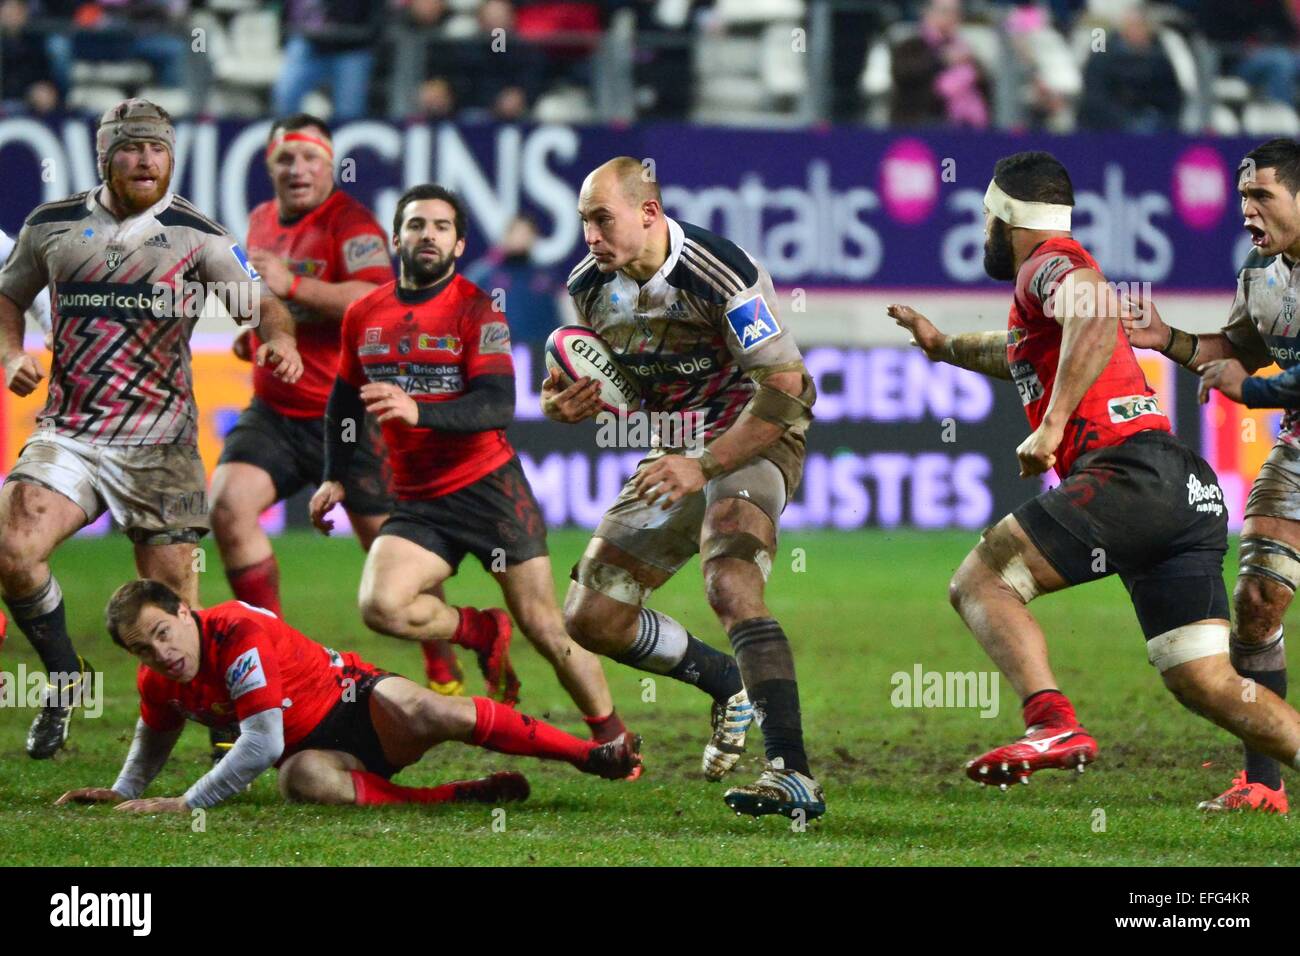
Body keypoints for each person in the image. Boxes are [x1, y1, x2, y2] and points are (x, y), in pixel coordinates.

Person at [890, 149, 1300, 801]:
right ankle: (1271, 780)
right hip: (1183, 491)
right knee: (1205, 681)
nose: (983, 236)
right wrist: (944, 348)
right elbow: (1021, 351)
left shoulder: (1047, 265)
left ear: (1004, 217)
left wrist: (1051, 427)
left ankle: (1050, 722)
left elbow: (1093, 309)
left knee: (983, 579)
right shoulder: (1042, 297)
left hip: (1128, 476)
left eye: (985, 220)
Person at [0, 99, 302, 760]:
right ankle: (62, 675)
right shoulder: (50, 225)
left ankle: (225, 728)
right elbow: (8, 294)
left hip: (162, 446)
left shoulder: (197, 233)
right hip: (71, 431)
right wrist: (11, 353)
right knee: (12, 547)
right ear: (105, 155)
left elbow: (263, 304)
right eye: (132, 148)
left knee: (175, 611)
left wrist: (280, 340)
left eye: (157, 149)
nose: (146, 160)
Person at [544, 157, 823, 819]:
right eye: (583, 220)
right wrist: (565, 406)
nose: (589, 235)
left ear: (648, 212)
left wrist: (705, 464)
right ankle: (726, 682)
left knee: (729, 580)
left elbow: (788, 388)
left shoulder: (721, 271)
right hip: (676, 450)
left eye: (601, 218)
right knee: (591, 617)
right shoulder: (589, 286)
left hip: (755, 435)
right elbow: (590, 386)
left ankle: (792, 774)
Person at [310, 184, 635, 751]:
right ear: (396, 238)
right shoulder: (363, 314)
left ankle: (612, 735)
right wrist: (335, 473)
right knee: (380, 607)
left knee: (544, 625)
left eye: (440, 226)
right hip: (417, 501)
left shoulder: (478, 310)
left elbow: (495, 406)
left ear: (459, 244)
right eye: (416, 225)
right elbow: (343, 399)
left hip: (489, 491)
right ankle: (477, 631)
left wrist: (417, 409)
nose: (427, 235)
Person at [210, 114, 465, 703]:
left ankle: (445, 664)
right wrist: (260, 335)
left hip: (346, 418)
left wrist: (294, 288)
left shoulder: (351, 225)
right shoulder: (259, 221)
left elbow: (378, 296)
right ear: (270, 167)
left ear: (329, 166)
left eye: (310, 159)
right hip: (273, 410)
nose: (297, 170)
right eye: (285, 160)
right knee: (226, 508)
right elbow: (269, 304)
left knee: (390, 558)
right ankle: (266, 656)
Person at [54, 579, 640, 814]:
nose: (161, 654)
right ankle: (452, 797)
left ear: (186, 610)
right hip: (318, 752)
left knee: (430, 708)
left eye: (163, 633)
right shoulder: (159, 676)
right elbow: (155, 733)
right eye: (144, 649)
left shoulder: (235, 633)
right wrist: (122, 791)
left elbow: (261, 741)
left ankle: (592, 755)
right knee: (300, 783)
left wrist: (187, 804)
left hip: (357, 703)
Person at [1122, 138, 1300, 813]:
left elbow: (1254, 377)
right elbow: (1238, 348)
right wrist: (1168, 339)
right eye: (1243, 198)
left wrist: (1250, 392)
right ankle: (1263, 783)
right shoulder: (1261, 272)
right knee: (1255, 603)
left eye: (1263, 196)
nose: (1248, 210)